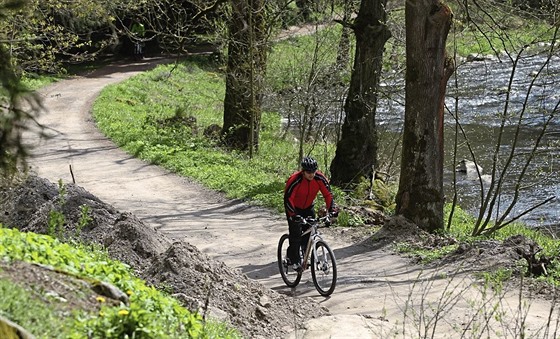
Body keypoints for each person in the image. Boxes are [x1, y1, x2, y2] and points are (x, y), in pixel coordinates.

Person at [284, 156, 338, 271]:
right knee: (296, 233)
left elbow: (328, 195)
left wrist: (332, 210)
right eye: (308, 172)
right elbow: (288, 199)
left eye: (313, 171)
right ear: (303, 171)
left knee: (310, 230)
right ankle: (294, 260)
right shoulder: (295, 180)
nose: (311, 174)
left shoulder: (319, 178)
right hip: (293, 207)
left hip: (308, 206)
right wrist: (293, 215)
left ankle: (305, 252)